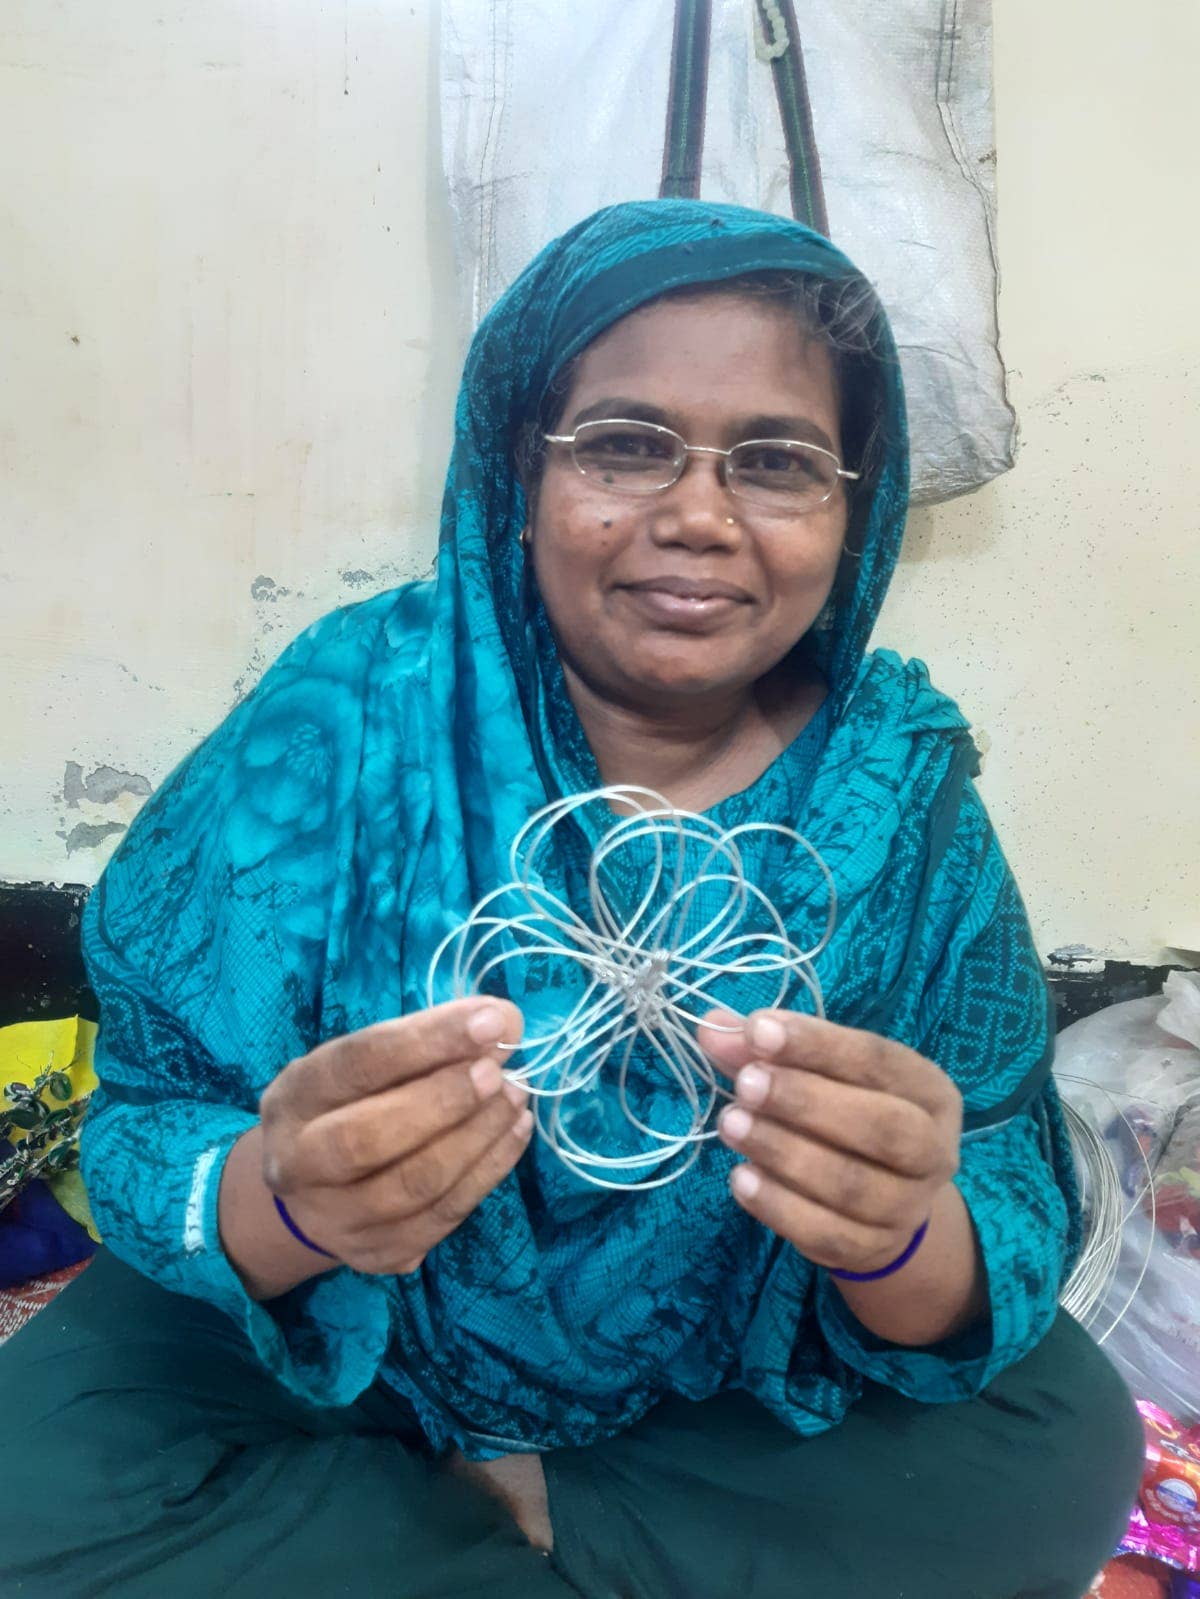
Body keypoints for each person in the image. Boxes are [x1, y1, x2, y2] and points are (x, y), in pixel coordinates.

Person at [0, 201, 1142, 1597]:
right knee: (31, 1483)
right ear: (516, 470)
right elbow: (151, 1112)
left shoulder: (896, 794)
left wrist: (899, 1232)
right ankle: (557, 1539)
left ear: (857, 503)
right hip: (343, 1343)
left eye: (777, 463)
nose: (698, 516)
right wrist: (290, 1204)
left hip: (721, 1384)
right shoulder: (349, 714)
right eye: (623, 444)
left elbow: (1003, 1175)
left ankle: (500, 1517)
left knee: (1060, 1450)